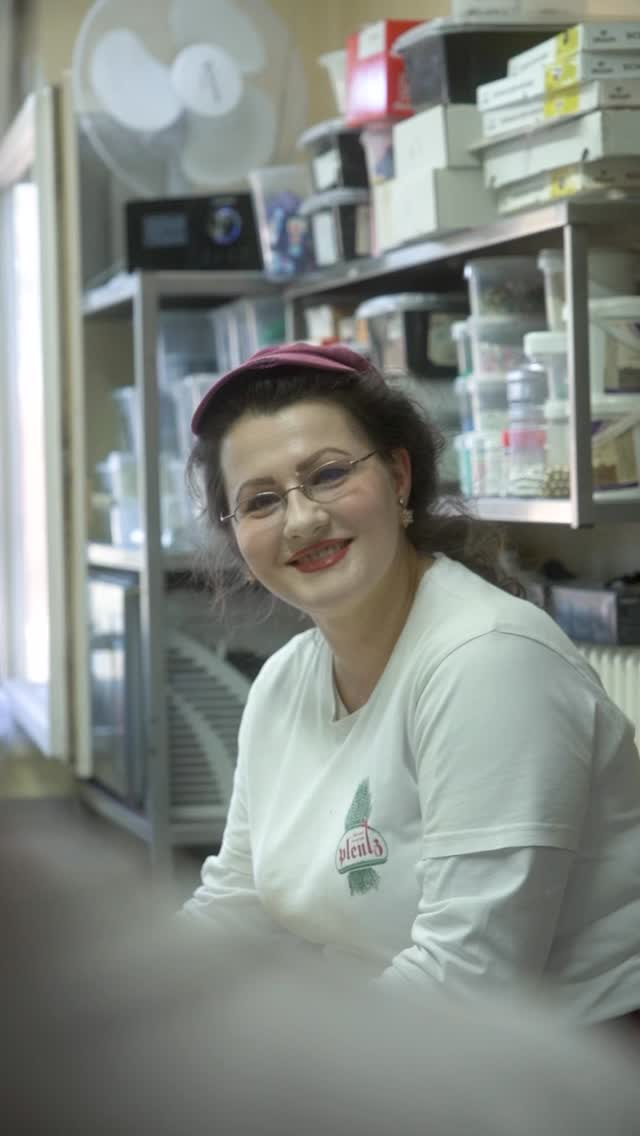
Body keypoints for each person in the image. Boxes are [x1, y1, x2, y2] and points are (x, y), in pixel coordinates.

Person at [184, 340, 640, 1032]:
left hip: (569, 1072)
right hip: (410, 1051)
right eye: (262, 501)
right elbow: (235, 901)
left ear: (399, 477)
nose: (302, 520)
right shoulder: (282, 684)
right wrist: (130, 1014)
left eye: (330, 474)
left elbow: (468, 977)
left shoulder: (487, 661)